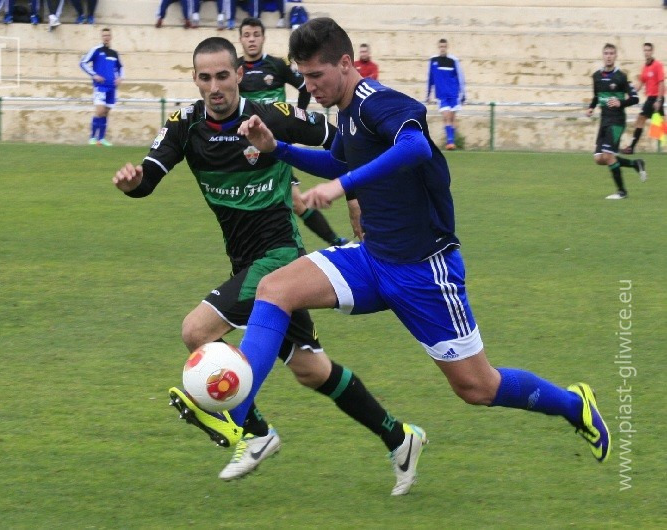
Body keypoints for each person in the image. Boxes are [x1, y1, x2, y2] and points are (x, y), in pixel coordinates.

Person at [177, 18, 611, 496]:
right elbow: (338, 161)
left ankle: (575, 406)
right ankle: (241, 411)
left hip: (424, 271)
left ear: (346, 64)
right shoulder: (346, 113)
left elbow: (414, 146)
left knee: (477, 388)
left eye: (317, 75)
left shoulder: (377, 101)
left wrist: (342, 187)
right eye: (304, 76)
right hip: (371, 258)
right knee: (274, 288)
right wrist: (278, 148)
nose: (310, 87)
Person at [113, 37, 408, 486]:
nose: (215, 86)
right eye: (205, 78)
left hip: (279, 256)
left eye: (223, 75)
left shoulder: (271, 116)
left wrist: (355, 195)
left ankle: (254, 432)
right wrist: (133, 182)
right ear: (195, 79)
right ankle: (399, 437)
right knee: (312, 370)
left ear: (238, 75)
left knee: (197, 330)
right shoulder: (184, 125)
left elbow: (342, 141)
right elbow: (148, 178)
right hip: (243, 262)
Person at [238, 17, 349, 247]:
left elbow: (302, 87)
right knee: (264, 204)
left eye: (256, 34)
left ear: (263, 38)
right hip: (249, 148)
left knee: (295, 203)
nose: (252, 40)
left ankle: (334, 241)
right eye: (247, 35)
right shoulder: (235, 70)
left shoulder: (276, 65)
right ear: (240, 39)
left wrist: (298, 115)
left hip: (276, 146)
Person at [587, 43, 646, 199]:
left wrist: (621, 103)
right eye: (606, 53)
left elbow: (635, 98)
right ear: (603, 55)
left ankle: (622, 192)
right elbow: (596, 96)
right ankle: (635, 164)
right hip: (604, 121)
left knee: (608, 155)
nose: (609, 56)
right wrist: (591, 107)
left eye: (611, 53)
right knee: (599, 159)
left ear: (616, 56)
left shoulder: (621, 76)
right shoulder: (596, 76)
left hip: (617, 121)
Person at [80, 28, 122, 146]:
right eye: (104, 35)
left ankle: (101, 138)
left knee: (106, 112)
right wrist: (94, 75)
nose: (106, 37)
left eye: (108, 35)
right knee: (99, 111)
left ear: (111, 37)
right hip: (100, 86)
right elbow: (83, 63)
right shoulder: (96, 50)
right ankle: (92, 138)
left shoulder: (114, 53)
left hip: (112, 87)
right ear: (101, 37)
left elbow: (120, 68)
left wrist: (120, 78)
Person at [622, 43, 665, 155]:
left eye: (648, 50)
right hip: (651, 98)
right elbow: (640, 84)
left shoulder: (657, 65)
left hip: (655, 98)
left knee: (641, 119)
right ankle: (631, 147)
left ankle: (631, 148)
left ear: (652, 51)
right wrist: (630, 92)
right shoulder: (644, 67)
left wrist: (659, 100)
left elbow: (661, 83)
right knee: (661, 124)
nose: (647, 53)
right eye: (645, 50)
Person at [425, 38, 465, 150]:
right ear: (439, 47)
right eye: (441, 47)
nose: (442, 49)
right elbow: (430, 78)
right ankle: (450, 142)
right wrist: (428, 94)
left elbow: (460, 77)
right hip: (442, 94)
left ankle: (452, 141)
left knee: (452, 118)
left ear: (447, 47)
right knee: (446, 116)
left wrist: (463, 94)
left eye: (444, 47)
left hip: (453, 93)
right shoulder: (433, 60)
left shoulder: (453, 60)